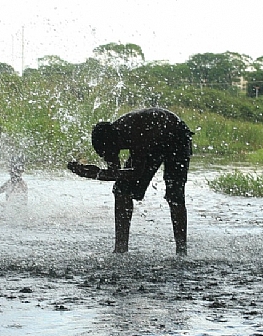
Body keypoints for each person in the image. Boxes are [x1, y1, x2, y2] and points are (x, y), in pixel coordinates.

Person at [67, 108, 193, 254]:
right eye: (105, 154)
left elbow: (136, 172)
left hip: (177, 137)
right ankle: (120, 248)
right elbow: (116, 173)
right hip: (154, 140)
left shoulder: (134, 132)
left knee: (175, 195)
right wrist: (95, 173)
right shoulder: (109, 139)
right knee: (121, 190)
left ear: (115, 142)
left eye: (110, 152)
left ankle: (181, 250)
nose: (110, 156)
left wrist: (97, 174)